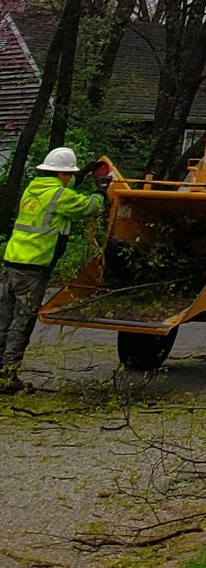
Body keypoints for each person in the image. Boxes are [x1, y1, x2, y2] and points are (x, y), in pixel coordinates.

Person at [0, 146, 104, 392]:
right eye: (69, 174)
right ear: (62, 174)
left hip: (12, 262)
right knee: (22, 323)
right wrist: (101, 192)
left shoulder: (33, 189)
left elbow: (61, 193)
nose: (70, 178)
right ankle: (7, 378)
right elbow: (89, 207)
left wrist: (81, 174)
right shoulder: (60, 196)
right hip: (34, 268)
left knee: (3, 321)